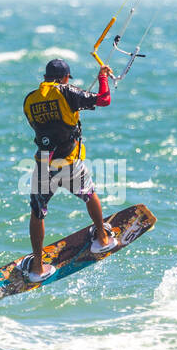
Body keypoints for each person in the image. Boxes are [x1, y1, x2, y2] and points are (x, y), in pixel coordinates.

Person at [19, 58, 118, 281]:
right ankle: (101, 239)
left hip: (44, 164)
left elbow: (41, 125)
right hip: (69, 163)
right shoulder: (66, 91)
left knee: (37, 212)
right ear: (64, 78)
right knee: (89, 195)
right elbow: (104, 100)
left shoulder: (29, 100)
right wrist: (102, 77)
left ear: (45, 78)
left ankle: (36, 267)